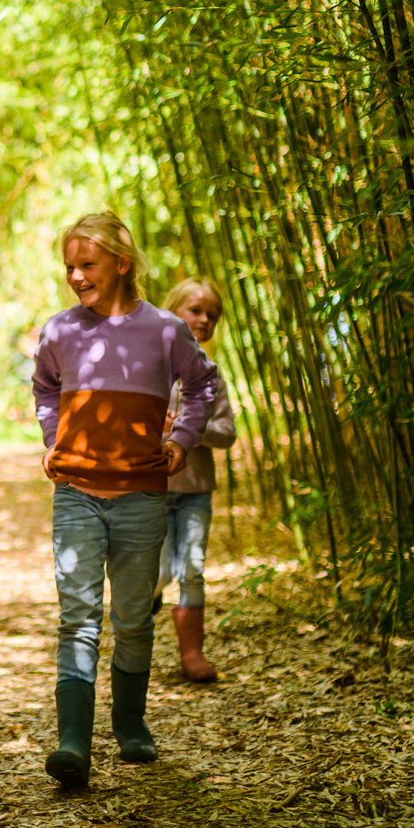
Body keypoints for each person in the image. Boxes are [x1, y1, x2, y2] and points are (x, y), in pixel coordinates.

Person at [30, 212, 216, 789]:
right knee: (77, 618)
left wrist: (182, 440)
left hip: (141, 494)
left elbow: (203, 383)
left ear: (121, 264)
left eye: (87, 264)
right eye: (69, 267)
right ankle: (74, 741)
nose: (76, 276)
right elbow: (44, 387)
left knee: (133, 618)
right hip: (77, 493)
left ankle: (130, 721)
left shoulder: (164, 330)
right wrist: (53, 437)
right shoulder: (60, 331)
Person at [156, 278, 237, 683]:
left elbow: (227, 432)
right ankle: (150, 599)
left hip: (195, 492)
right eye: (196, 310)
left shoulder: (210, 374)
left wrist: (191, 429)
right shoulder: (147, 364)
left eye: (212, 315)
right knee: (158, 572)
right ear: (174, 310)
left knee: (191, 567)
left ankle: (192, 654)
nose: (204, 320)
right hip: (150, 489)